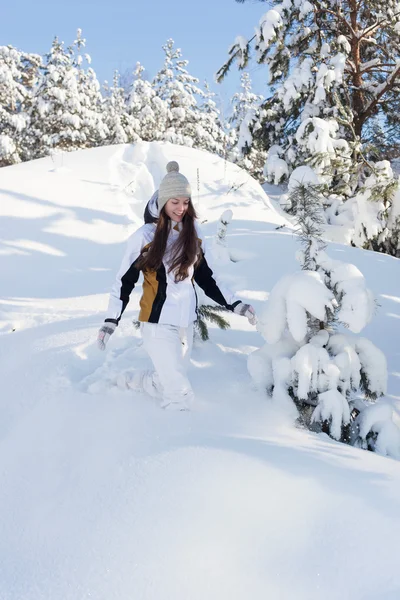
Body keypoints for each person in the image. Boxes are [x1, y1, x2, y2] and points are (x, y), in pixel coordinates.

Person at [97, 161, 256, 411]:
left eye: (186, 202)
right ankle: (175, 444)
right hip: (157, 325)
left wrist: (236, 304)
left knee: (166, 381)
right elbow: (123, 282)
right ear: (162, 203)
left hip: (186, 325)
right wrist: (110, 319)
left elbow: (206, 278)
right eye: (175, 202)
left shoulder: (192, 233)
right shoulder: (144, 237)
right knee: (179, 393)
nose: (181, 208)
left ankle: (126, 382)